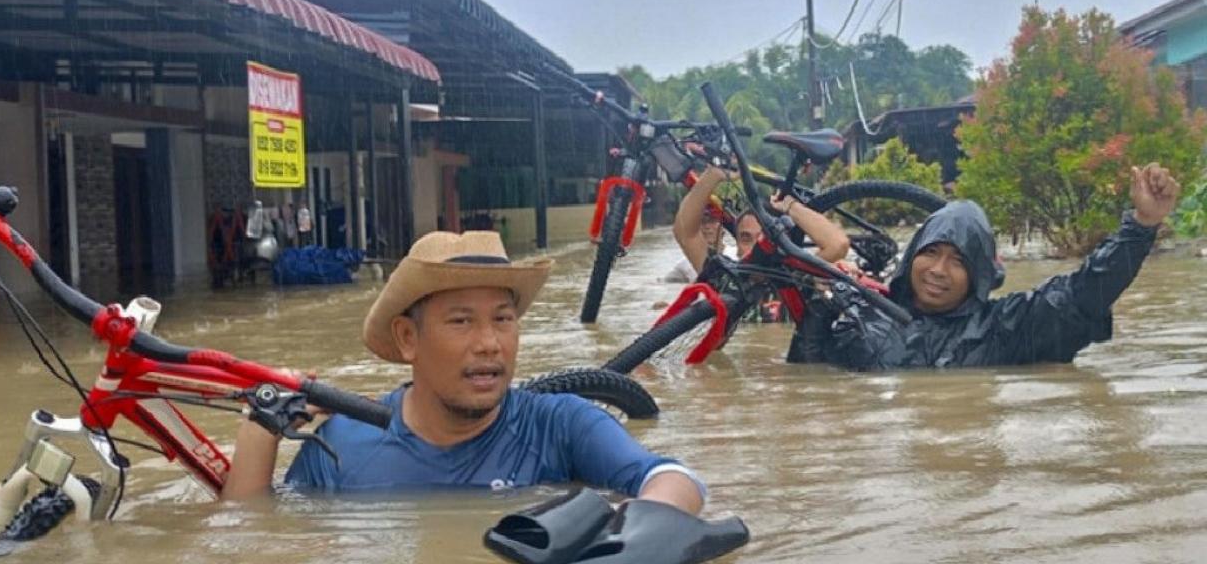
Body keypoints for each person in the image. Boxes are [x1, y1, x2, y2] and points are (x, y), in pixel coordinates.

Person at [223, 230, 706, 514]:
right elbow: (255, 534)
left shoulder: (560, 425)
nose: (490, 343)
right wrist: (260, 431)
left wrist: (625, 541)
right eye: (461, 322)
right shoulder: (342, 447)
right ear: (408, 338)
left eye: (503, 319)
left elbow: (673, 479)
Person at [789, 163, 1181, 370]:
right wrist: (817, 309)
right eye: (931, 253)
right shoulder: (861, 313)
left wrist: (1141, 226)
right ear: (912, 256)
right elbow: (806, 382)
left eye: (958, 261)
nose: (938, 270)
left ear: (978, 274)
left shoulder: (1006, 329)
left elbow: (1084, 294)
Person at [673, 166, 850, 273]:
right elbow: (684, 233)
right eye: (746, 238)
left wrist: (791, 207)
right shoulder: (727, 282)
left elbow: (838, 245)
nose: (756, 247)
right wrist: (713, 174)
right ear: (737, 247)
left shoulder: (797, 280)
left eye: (764, 238)